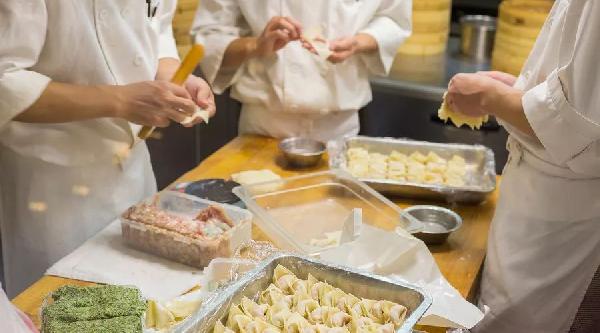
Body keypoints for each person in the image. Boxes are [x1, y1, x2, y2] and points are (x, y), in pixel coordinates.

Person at [0, 1, 215, 297]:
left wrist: (172, 76)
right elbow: (6, 79)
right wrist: (121, 101)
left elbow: (154, 25)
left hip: (132, 168)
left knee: (147, 303)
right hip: (53, 185)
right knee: (61, 310)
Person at [445, 0, 600, 331]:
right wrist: (521, 90)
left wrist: (493, 98)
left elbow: (580, 134)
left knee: (518, 323)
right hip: (543, 202)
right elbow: (576, 93)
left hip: (561, 215)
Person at [191, 0, 410, 142]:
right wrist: (257, 45)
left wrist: (359, 42)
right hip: (263, 126)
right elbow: (209, 36)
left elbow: (393, 18)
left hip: (339, 127)